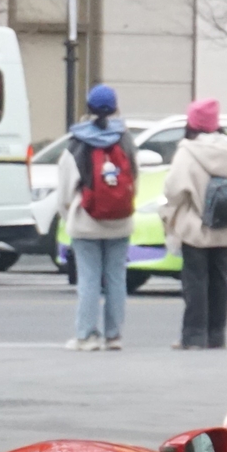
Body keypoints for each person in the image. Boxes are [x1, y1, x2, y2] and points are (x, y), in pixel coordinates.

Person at [161, 98, 227, 350]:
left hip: (195, 228)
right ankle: (217, 335)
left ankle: (194, 336)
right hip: (224, 227)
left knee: (196, 281)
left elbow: (173, 189)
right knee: (220, 280)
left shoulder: (188, 152)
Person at [62, 84, 138, 351]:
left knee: (89, 278)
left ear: (89, 108)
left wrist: (69, 214)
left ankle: (86, 336)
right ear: (115, 107)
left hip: (86, 221)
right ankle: (114, 335)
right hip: (120, 222)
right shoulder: (125, 139)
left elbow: (65, 190)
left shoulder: (77, 142)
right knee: (117, 277)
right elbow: (134, 179)